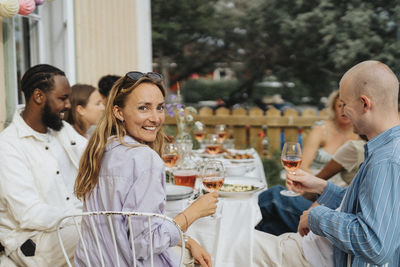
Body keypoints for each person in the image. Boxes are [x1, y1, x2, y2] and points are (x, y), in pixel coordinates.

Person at [253, 60, 400, 267]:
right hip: (324, 251)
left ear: (364, 104)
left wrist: (317, 216)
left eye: (345, 103)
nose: (343, 111)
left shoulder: (386, 160)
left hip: (330, 258)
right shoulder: (387, 149)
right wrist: (323, 187)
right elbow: (365, 206)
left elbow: (374, 244)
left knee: (230, 244)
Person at [74, 71, 217, 267]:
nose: (155, 118)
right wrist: (194, 212)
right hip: (130, 262)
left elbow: (128, 226)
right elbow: (146, 243)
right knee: (215, 251)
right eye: (143, 108)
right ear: (118, 112)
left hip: (95, 262)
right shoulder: (144, 159)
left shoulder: (101, 149)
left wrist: (188, 240)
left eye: (160, 108)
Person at [0, 64, 87, 266]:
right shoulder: (7, 146)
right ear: (39, 96)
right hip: (35, 241)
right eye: (62, 98)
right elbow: (30, 214)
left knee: (118, 227)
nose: (68, 106)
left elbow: (96, 156)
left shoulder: (62, 130)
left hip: (73, 228)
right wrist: (85, 217)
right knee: (102, 230)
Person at [256, 137, 366, 235]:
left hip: (334, 213)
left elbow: (324, 178)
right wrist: (318, 187)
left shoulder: (358, 149)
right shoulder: (372, 151)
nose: (344, 113)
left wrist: (314, 211)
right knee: (270, 226)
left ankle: (240, 221)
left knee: (275, 195)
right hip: (333, 204)